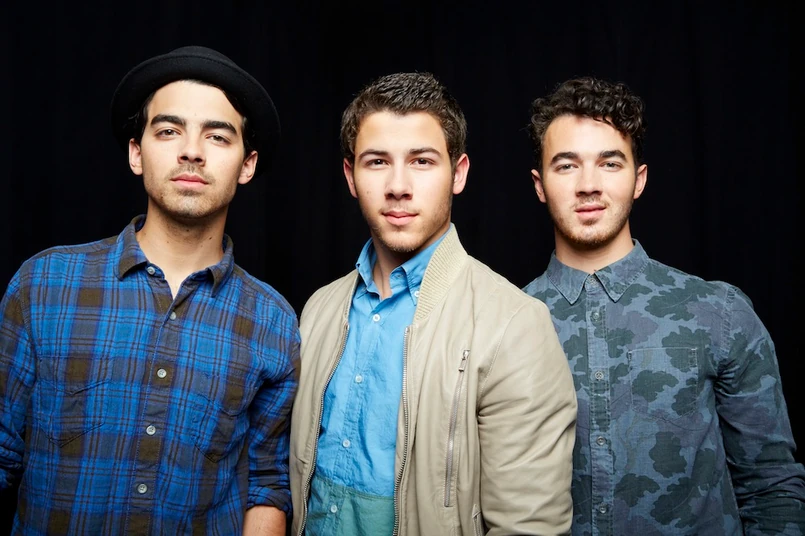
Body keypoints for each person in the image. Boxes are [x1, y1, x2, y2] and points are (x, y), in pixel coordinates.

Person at [0, 45, 299, 534]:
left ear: (247, 165)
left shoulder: (273, 321)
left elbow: (266, 485)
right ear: (136, 153)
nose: (191, 151)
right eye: (168, 131)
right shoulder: (44, 284)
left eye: (217, 136)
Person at [288, 71, 577, 536]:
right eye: (377, 162)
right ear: (350, 176)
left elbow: (529, 526)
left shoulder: (515, 324)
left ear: (458, 173)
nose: (398, 185)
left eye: (421, 161)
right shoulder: (319, 310)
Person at [523, 76, 805, 534]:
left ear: (639, 179)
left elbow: (771, 486)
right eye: (567, 166)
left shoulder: (718, 312)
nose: (589, 185)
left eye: (610, 163)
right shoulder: (506, 321)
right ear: (540, 185)